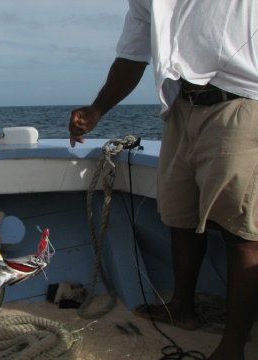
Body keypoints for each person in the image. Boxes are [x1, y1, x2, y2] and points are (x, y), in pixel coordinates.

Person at [69, 1, 258, 359]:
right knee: (178, 214)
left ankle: (233, 345)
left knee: (242, 230)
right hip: (181, 105)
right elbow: (133, 54)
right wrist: (98, 109)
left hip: (243, 104)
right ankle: (181, 308)